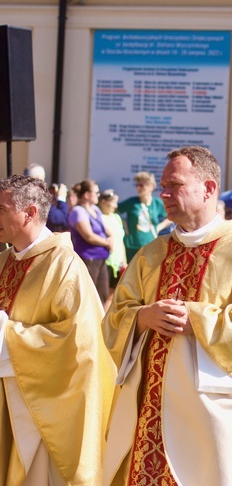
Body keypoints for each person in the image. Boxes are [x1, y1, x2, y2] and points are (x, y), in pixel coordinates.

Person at [102, 146, 232, 484]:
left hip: (212, 406)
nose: (164, 194)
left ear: (209, 189)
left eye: (175, 184)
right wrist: (143, 317)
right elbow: (115, 316)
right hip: (148, 406)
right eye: (163, 186)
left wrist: (199, 321)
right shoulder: (150, 255)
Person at [0, 174, 115, 484]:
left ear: (30, 213)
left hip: (42, 410)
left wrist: (5, 335)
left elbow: (79, 344)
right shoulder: (4, 262)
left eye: (1, 208)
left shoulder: (65, 266)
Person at [68, 179, 113, 304]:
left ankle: (100, 323)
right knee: (87, 295)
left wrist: (111, 237)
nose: (98, 195)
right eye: (96, 193)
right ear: (87, 195)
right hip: (88, 258)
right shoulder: (78, 211)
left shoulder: (96, 210)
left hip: (101, 258)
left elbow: (105, 229)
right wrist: (107, 243)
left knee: (102, 294)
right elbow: (88, 236)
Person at [118, 171, 170, 261]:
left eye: (141, 185)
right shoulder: (131, 202)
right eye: (137, 185)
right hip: (132, 245)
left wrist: (159, 227)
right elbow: (115, 210)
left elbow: (170, 216)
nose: (138, 188)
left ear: (151, 187)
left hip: (150, 244)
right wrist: (124, 224)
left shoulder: (157, 203)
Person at [99, 189, 127, 310]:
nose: (115, 206)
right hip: (106, 261)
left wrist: (124, 261)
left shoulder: (116, 217)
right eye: (113, 202)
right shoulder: (99, 217)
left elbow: (121, 241)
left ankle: (105, 323)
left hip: (118, 261)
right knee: (103, 294)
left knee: (113, 295)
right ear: (104, 202)